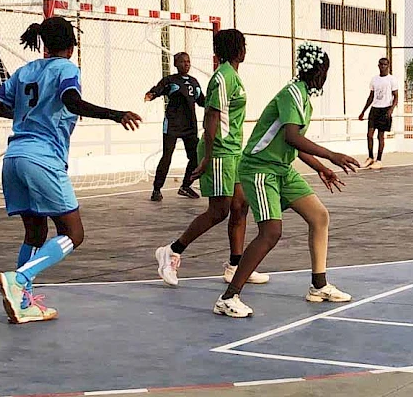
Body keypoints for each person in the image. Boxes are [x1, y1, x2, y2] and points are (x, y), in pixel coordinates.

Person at [0, 17, 141, 324]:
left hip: (13, 157)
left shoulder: (25, 71)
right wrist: (115, 114)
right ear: (71, 47)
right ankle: (20, 279)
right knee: (74, 233)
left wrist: (21, 114)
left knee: (35, 231)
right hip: (42, 159)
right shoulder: (66, 68)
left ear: (44, 43)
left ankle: (23, 301)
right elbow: (71, 101)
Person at [213, 43, 360, 318]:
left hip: (282, 168)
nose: (325, 76)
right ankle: (228, 297)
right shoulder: (291, 94)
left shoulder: (303, 96)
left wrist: (319, 168)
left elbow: (294, 143)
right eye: (324, 70)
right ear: (316, 70)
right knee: (271, 232)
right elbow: (293, 136)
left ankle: (319, 285)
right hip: (260, 169)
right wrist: (331, 156)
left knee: (319, 216)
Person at [154, 30, 268, 287]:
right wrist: (206, 158)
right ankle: (171, 251)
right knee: (219, 211)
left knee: (240, 207)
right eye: (244, 45)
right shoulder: (223, 78)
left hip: (234, 151)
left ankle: (235, 266)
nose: (245, 50)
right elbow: (212, 117)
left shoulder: (232, 76)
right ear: (238, 50)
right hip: (219, 150)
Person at [146, 52, 205, 201]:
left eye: (188, 61)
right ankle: (156, 189)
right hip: (172, 124)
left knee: (195, 156)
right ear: (175, 64)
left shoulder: (194, 82)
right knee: (167, 156)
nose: (186, 64)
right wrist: (151, 94)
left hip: (189, 125)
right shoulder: (170, 80)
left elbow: (202, 100)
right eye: (182, 61)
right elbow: (158, 90)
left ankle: (186, 186)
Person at [358, 57, 398, 170]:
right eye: (381, 64)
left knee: (380, 136)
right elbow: (371, 97)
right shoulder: (374, 79)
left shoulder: (392, 80)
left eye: (385, 64)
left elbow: (396, 97)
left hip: (385, 109)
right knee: (369, 134)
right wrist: (363, 111)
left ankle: (379, 160)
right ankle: (370, 157)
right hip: (375, 108)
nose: (383, 66)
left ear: (388, 66)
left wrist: (391, 110)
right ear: (378, 65)